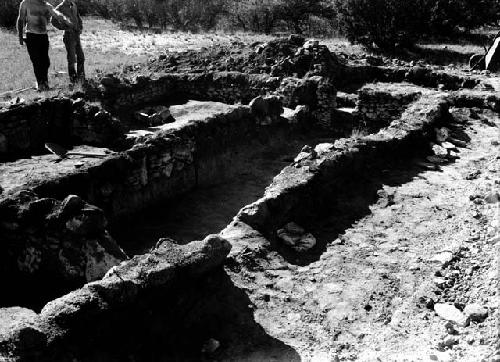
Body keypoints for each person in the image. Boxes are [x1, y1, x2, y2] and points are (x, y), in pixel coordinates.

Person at [17, 0, 69, 91]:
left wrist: (66, 21)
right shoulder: (26, 3)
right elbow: (20, 19)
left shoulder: (45, 5)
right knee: (36, 61)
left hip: (43, 36)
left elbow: (57, 14)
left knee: (45, 62)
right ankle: (41, 84)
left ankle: (44, 83)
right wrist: (20, 37)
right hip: (32, 36)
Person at [54, 0, 85, 84]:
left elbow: (78, 16)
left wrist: (80, 26)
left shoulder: (73, 4)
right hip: (68, 36)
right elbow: (53, 20)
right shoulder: (59, 7)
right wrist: (64, 27)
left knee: (81, 57)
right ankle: (73, 80)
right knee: (71, 59)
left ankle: (81, 78)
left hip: (76, 35)